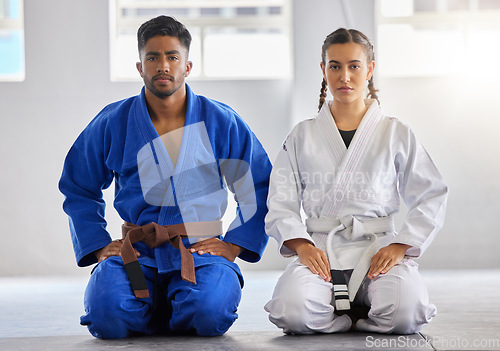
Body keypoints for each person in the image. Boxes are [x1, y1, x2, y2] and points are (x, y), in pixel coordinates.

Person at [59, 15, 271, 339]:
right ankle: (154, 303)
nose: (163, 66)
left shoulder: (221, 121)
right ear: (140, 66)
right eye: (153, 57)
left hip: (198, 253)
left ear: (187, 66)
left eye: (172, 57)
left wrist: (234, 245)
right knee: (106, 314)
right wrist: (99, 246)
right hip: (138, 254)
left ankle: (172, 304)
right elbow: (78, 186)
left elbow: (258, 184)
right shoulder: (114, 121)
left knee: (210, 311)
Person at [264, 28, 448, 335]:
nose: (344, 76)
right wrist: (302, 246)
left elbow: (431, 193)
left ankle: (360, 314)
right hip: (322, 248)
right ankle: (343, 317)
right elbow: (280, 200)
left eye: (354, 66)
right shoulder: (302, 134)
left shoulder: (395, 132)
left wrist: (401, 245)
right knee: (292, 312)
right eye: (334, 66)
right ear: (323, 70)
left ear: (370, 69)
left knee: (406, 313)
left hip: (378, 248)